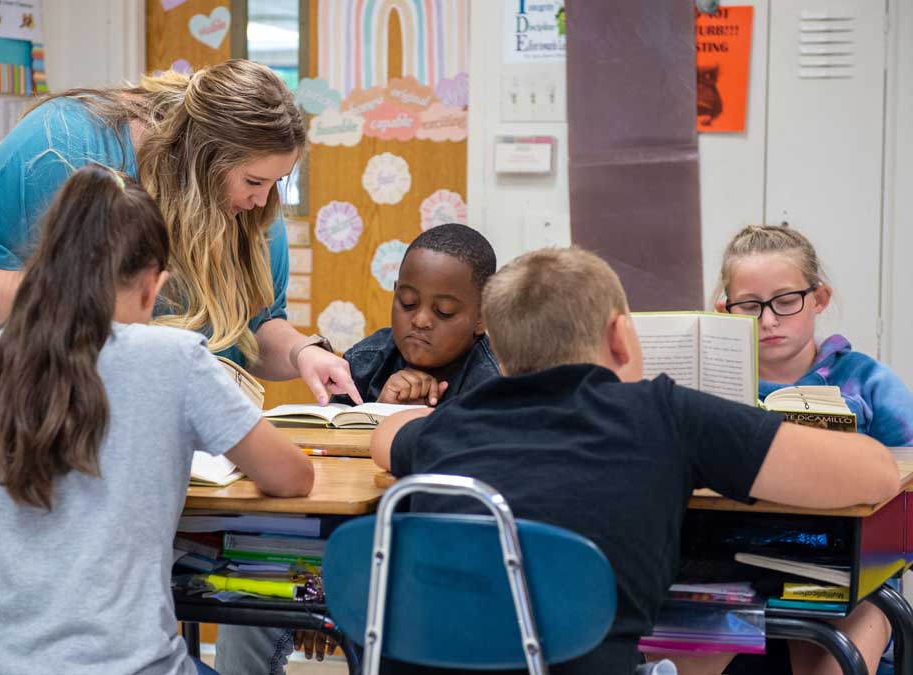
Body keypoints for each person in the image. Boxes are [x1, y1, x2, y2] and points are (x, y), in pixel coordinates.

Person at [0, 58, 360, 668]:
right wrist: (86, 329)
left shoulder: (248, 211)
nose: (265, 202)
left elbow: (258, 322)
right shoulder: (61, 146)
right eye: (255, 182)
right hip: (19, 383)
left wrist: (307, 350)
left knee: (106, 569)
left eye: (276, 184)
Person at [369, 246, 901, 675]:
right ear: (621, 337)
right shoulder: (664, 414)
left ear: (502, 355)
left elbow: (386, 437)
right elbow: (876, 475)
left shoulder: (451, 427)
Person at [715, 224, 913, 675]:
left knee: (833, 654)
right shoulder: (714, 387)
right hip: (730, 570)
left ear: (819, 299)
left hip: (851, 576)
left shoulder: (869, 383)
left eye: (786, 302)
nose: (768, 321)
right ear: (725, 310)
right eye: (749, 306)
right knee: (677, 648)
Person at [338, 223, 500, 406]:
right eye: (408, 302)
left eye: (444, 311)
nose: (420, 320)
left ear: (482, 317)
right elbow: (330, 429)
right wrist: (379, 411)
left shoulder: (494, 386)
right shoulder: (364, 361)